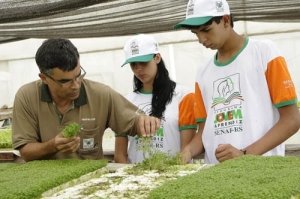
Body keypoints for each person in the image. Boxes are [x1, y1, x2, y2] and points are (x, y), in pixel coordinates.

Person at [175, 0, 300, 164]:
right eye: (195, 33)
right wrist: (188, 151)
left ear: (226, 20)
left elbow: (292, 119)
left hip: (261, 171)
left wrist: (244, 154)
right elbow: (204, 130)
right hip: (215, 175)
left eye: (206, 30)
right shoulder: (203, 72)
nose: (201, 39)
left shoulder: (264, 53)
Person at [12, 38, 160, 162]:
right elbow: (26, 151)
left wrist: (144, 122)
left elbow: (133, 122)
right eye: (65, 81)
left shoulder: (101, 94)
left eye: (78, 75)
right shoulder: (27, 97)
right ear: (44, 78)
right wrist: (53, 145)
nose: (76, 85)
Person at [114, 34, 196, 163]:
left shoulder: (184, 96)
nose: (138, 69)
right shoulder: (126, 101)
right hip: (137, 178)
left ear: (157, 57)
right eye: (133, 64)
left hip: (172, 175)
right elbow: (120, 155)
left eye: (143, 62)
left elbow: (186, 151)